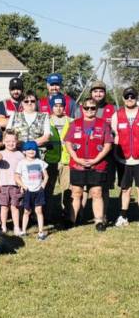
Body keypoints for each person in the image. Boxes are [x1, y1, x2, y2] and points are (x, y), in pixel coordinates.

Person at [64, 97, 113, 232]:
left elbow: (108, 145)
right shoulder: (75, 123)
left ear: (96, 109)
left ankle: (99, 221)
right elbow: (68, 142)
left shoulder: (103, 124)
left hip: (97, 165)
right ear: (82, 109)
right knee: (76, 192)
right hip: (77, 164)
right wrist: (76, 158)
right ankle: (72, 220)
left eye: (93, 108)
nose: (89, 110)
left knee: (96, 192)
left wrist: (96, 159)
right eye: (87, 108)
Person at [113, 86, 139, 227]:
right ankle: (123, 216)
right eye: (127, 96)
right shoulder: (117, 115)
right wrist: (116, 155)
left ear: (136, 98)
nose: (130, 99)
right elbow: (115, 136)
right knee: (125, 189)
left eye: (132, 96)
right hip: (123, 159)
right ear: (123, 98)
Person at [44, 94, 72, 225]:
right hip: (50, 159)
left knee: (67, 189)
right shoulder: (46, 121)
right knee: (48, 188)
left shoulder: (71, 121)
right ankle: (46, 215)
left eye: (61, 106)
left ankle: (67, 214)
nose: (59, 108)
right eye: (56, 106)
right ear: (51, 107)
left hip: (66, 160)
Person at [15, 141, 49, 240]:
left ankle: (41, 232)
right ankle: (23, 231)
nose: (31, 151)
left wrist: (43, 185)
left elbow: (46, 175)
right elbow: (17, 177)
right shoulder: (21, 163)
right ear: (24, 151)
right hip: (28, 191)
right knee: (27, 211)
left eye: (33, 149)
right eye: (28, 149)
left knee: (39, 211)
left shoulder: (40, 162)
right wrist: (24, 186)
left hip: (39, 191)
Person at [0, 130, 24, 236]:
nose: (10, 143)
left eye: (13, 141)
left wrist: (22, 185)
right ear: (3, 141)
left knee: (15, 207)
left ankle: (16, 227)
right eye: (8, 141)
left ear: (17, 141)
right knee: (4, 207)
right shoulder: (0, 154)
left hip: (16, 185)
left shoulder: (20, 155)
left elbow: (23, 172)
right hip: (3, 184)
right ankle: (3, 226)